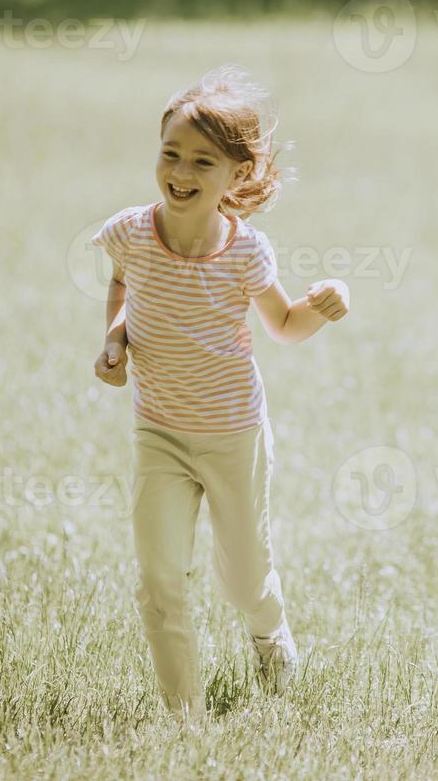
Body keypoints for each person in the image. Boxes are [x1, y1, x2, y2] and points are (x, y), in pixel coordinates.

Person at [92, 65, 349, 725]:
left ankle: (271, 636)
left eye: (202, 161)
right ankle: (185, 720)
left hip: (234, 436)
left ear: (237, 175)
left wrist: (325, 306)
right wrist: (115, 339)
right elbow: (125, 286)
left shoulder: (245, 254)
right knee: (159, 579)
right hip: (159, 433)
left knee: (241, 578)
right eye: (170, 153)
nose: (180, 171)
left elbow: (287, 327)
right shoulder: (130, 232)